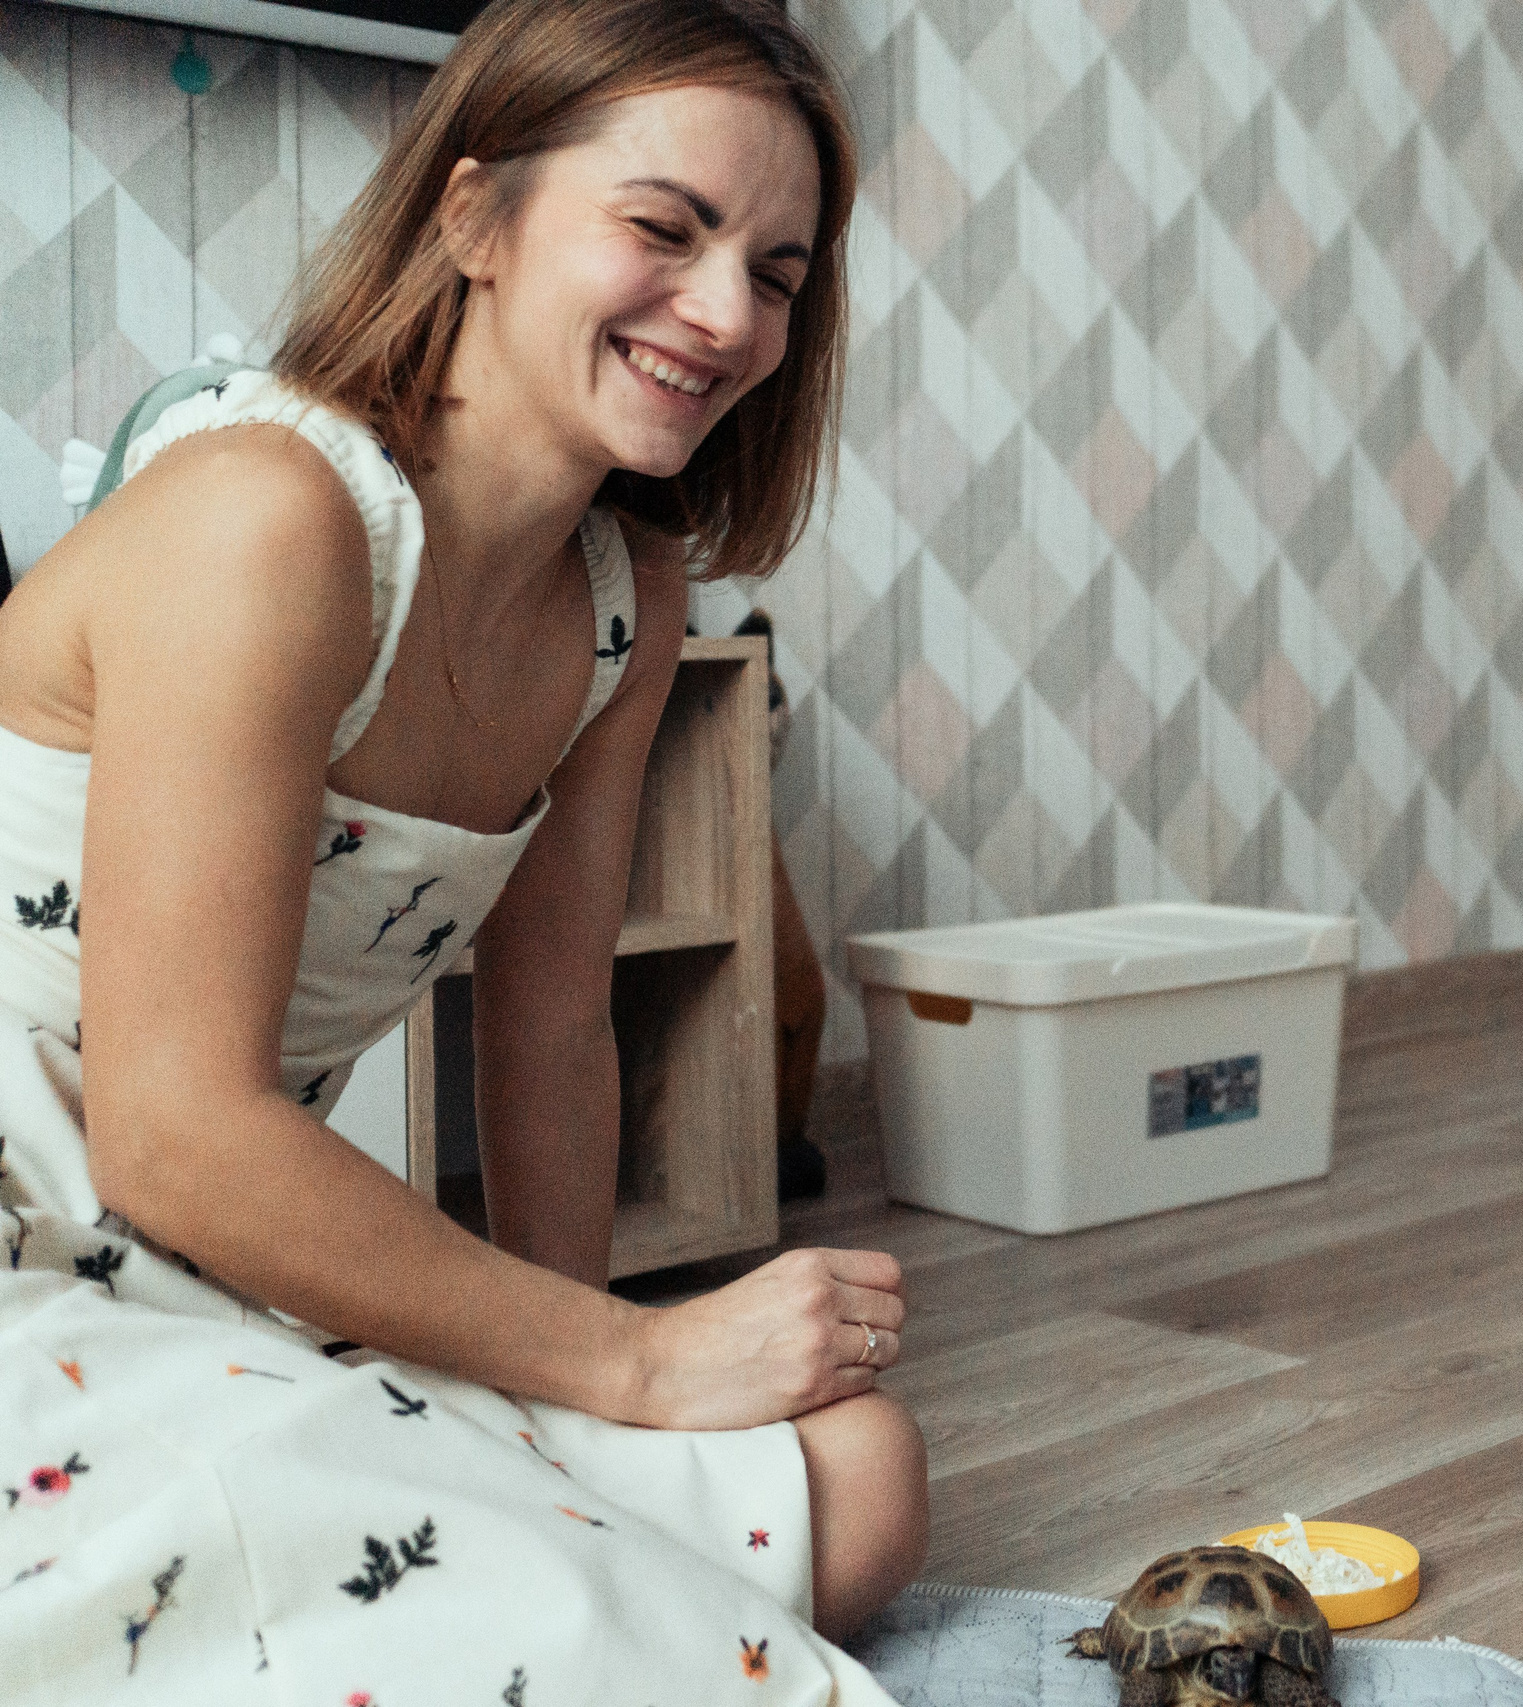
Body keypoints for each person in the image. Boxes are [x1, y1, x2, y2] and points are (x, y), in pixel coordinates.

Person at [0, 2, 925, 1696]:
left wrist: (554, 1405)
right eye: (664, 229)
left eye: (779, 273)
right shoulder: (266, 515)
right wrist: (632, 1364)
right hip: (49, 1233)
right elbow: (175, 1131)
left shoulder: (622, 607)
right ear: (475, 217)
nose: (725, 314)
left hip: (211, 1258)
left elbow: (553, 1027)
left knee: (859, 1480)